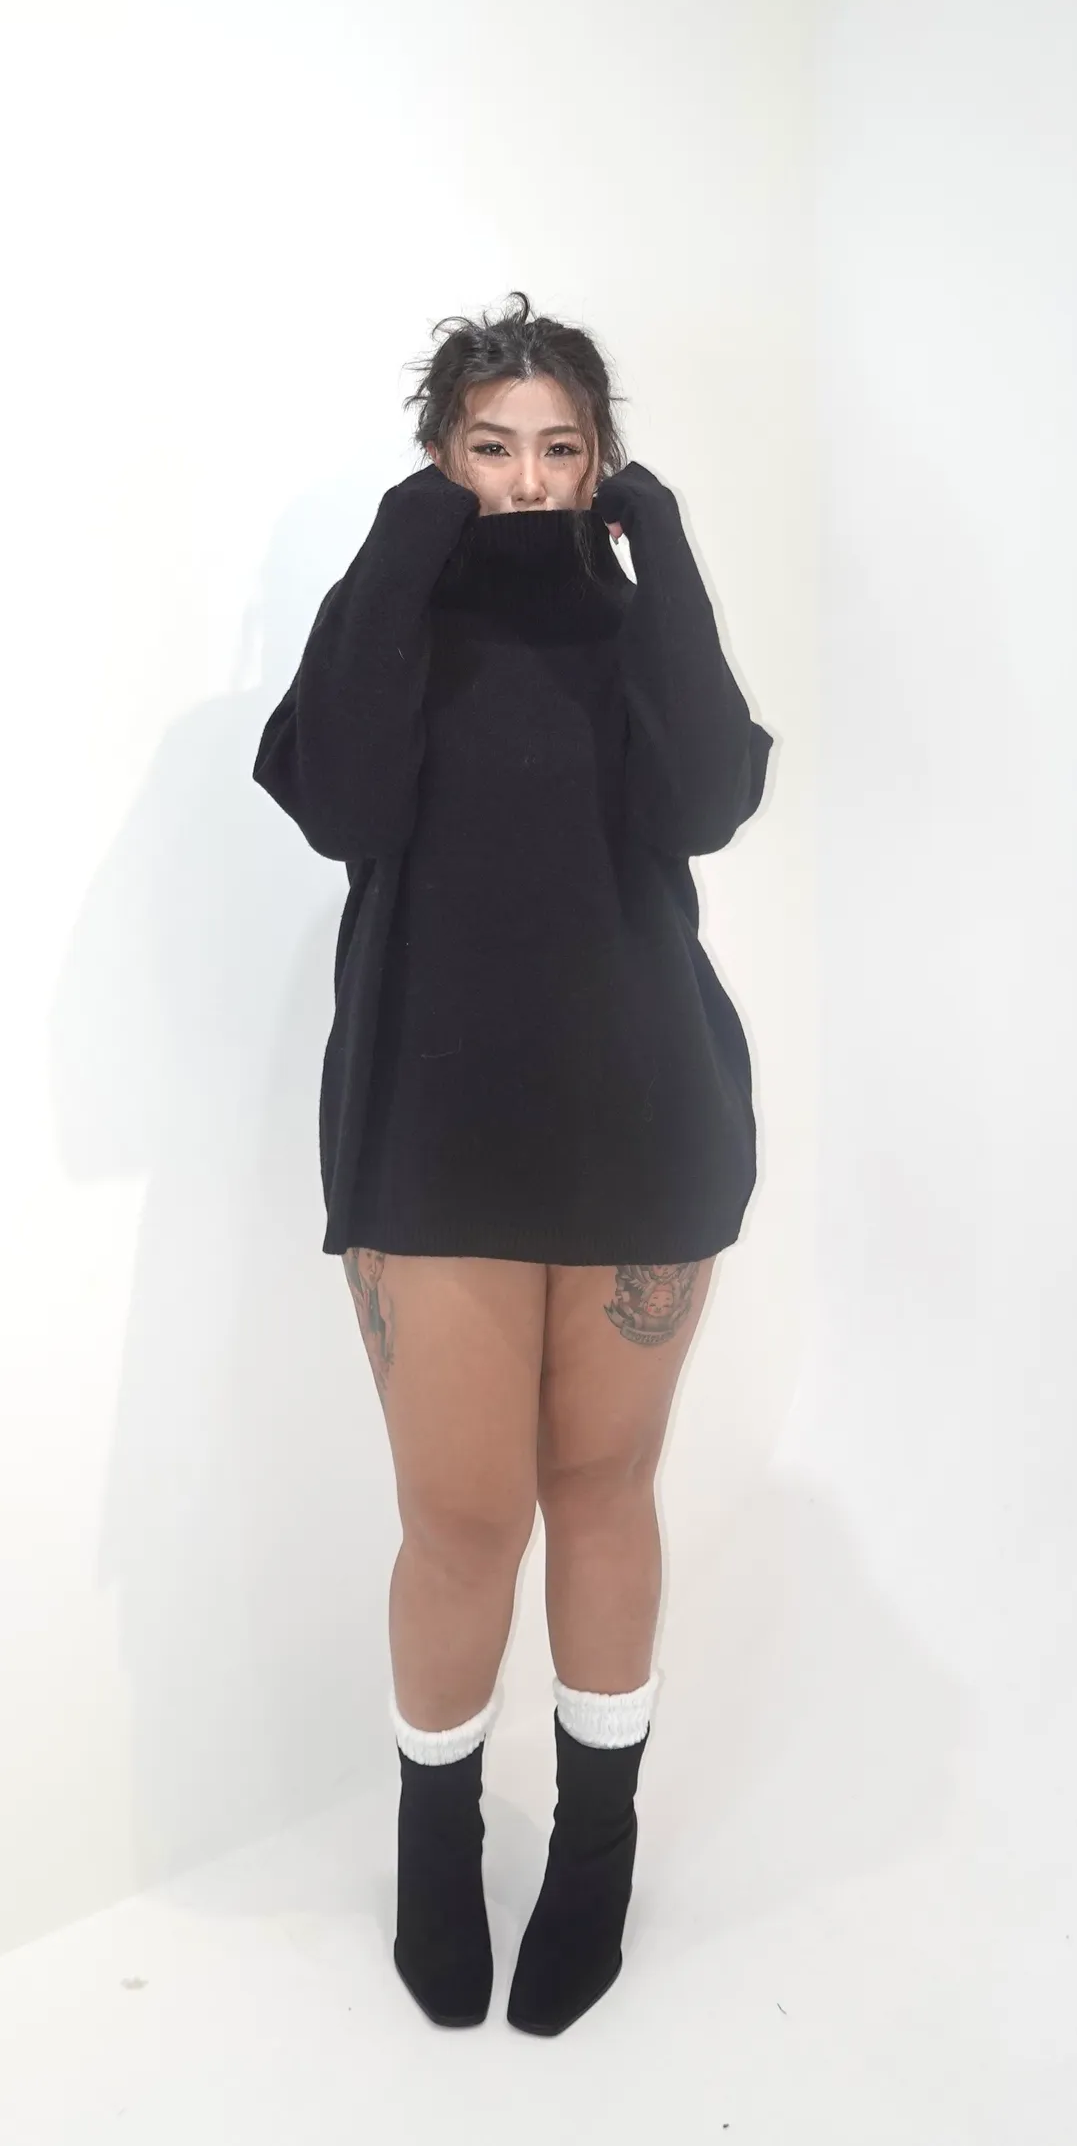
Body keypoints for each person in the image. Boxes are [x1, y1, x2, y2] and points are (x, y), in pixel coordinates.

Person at [252, 291, 772, 2035]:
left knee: (602, 1491)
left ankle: (597, 1851)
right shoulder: (390, 617)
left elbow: (708, 801)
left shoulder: (634, 626)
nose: (530, 479)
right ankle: (436, 1843)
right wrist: (410, 539)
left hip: (642, 1118)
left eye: (563, 448)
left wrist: (662, 546)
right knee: (461, 1516)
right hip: (432, 1126)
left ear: (602, 464)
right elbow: (341, 803)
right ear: (438, 457)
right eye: (491, 447)